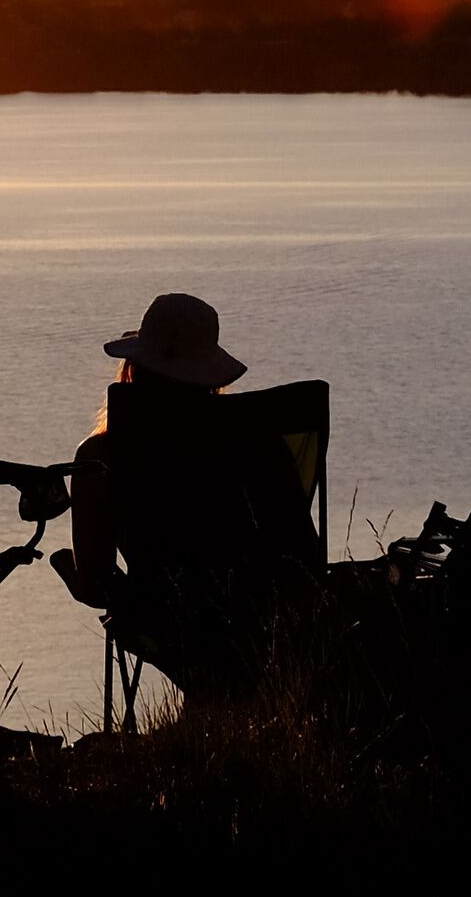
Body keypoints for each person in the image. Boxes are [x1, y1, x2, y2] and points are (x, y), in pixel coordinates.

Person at [53, 293, 316, 695]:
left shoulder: (101, 458)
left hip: (171, 625)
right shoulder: (260, 439)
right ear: (210, 378)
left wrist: (75, 572)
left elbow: (94, 584)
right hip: (276, 621)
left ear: (133, 369)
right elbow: (301, 550)